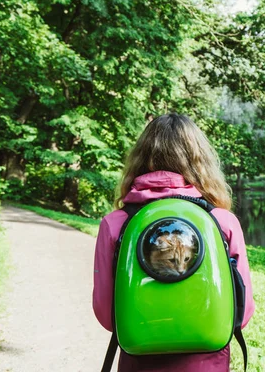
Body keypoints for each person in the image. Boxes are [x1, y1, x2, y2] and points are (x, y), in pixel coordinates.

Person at [93, 113, 255, 372]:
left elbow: (106, 314)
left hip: (140, 360)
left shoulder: (115, 224)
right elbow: (242, 313)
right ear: (200, 161)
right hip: (206, 361)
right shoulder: (222, 222)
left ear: (140, 160)